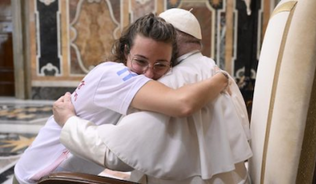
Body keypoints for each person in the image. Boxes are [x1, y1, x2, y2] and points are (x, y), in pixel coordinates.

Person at [13, 13, 229, 184]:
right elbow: (182, 104)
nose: (148, 74)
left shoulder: (115, 73)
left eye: (160, 65)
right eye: (140, 61)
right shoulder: (116, 76)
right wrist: (221, 78)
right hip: (38, 178)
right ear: (126, 51)